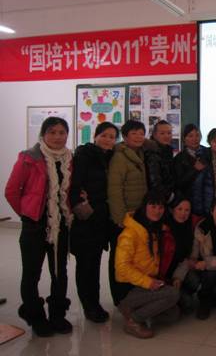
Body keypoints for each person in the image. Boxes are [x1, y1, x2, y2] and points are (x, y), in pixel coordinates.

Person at [5, 117, 73, 336]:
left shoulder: (70, 159)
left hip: (61, 225)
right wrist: (28, 214)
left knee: (59, 272)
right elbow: (12, 191)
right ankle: (35, 316)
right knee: (32, 273)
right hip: (34, 225)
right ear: (43, 134)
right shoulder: (29, 158)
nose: (57, 137)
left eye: (62, 132)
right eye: (52, 132)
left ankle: (57, 314)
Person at [69, 121, 118, 323]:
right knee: (86, 264)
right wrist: (86, 213)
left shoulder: (109, 158)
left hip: (100, 221)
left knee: (94, 263)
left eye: (112, 137)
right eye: (104, 135)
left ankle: (94, 303)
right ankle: (89, 306)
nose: (107, 140)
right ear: (95, 136)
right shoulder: (84, 156)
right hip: (86, 221)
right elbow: (74, 189)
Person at [115, 192, 180, 339]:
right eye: (153, 206)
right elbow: (122, 267)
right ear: (144, 207)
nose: (157, 211)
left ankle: (135, 310)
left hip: (145, 284)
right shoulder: (130, 233)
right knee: (172, 294)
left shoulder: (155, 228)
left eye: (161, 207)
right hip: (129, 288)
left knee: (173, 314)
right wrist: (149, 282)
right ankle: (133, 320)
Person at [107, 119, 148, 305]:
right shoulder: (120, 157)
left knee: (134, 256)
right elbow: (114, 190)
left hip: (138, 216)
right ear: (125, 136)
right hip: (124, 218)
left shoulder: (140, 154)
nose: (139, 137)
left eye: (141, 133)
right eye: (134, 133)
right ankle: (120, 298)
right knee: (120, 258)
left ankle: (133, 294)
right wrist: (120, 218)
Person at [160, 195, 202, 314]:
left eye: (187, 210)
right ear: (172, 209)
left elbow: (187, 259)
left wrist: (178, 277)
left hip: (182, 268)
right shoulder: (163, 228)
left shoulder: (192, 224)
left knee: (195, 281)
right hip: (165, 274)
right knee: (187, 305)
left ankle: (182, 291)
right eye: (180, 209)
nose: (183, 213)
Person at [174, 124, 209, 217]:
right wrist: (194, 170)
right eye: (190, 136)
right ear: (184, 139)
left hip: (209, 201)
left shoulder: (208, 152)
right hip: (190, 204)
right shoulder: (179, 158)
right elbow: (179, 183)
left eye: (197, 135)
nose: (195, 139)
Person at [143, 120, 175, 201]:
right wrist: (170, 197)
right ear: (154, 135)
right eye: (162, 133)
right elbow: (155, 183)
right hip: (158, 198)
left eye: (169, 133)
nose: (166, 136)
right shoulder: (152, 153)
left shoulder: (167, 151)